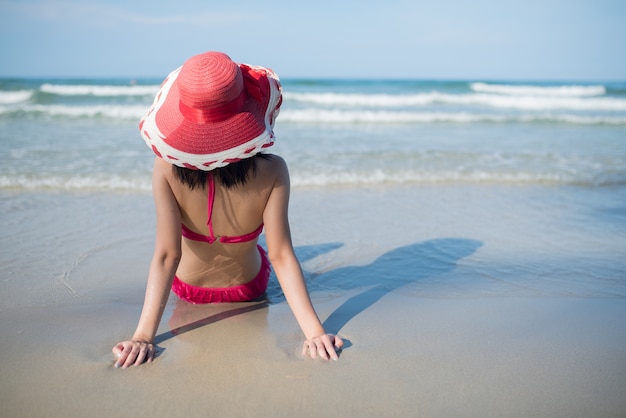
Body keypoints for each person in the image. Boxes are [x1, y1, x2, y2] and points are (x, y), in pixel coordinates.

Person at [112, 51, 343, 368]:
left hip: (187, 289)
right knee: (265, 248)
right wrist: (315, 332)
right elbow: (281, 256)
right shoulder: (274, 170)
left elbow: (168, 255)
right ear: (246, 109)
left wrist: (143, 336)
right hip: (248, 289)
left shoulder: (164, 168)